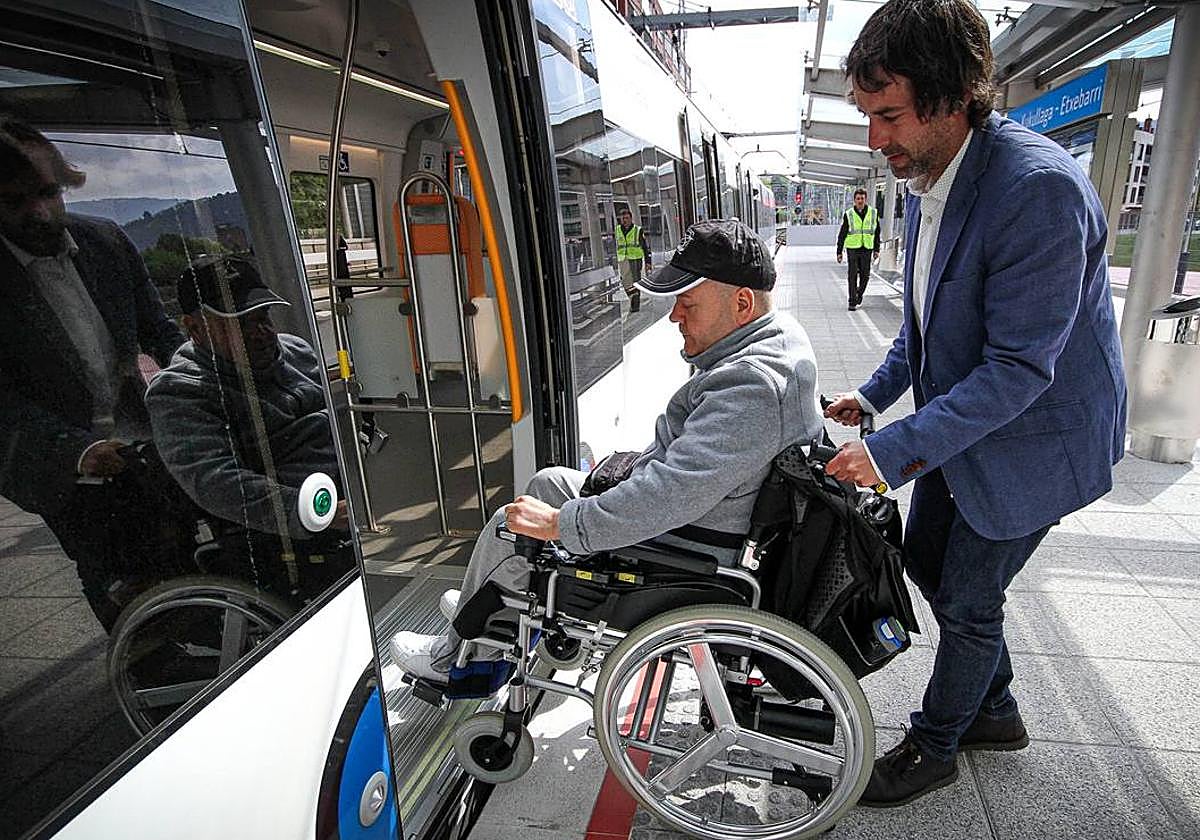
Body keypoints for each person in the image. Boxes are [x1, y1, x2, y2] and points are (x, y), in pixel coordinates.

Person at [823, 0, 1126, 808]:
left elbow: (1021, 369)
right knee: (924, 563)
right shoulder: (932, 174)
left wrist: (890, 452)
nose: (874, 139)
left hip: (1037, 438)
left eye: (888, 115)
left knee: (965, 598)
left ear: (955, 95)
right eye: (865, 115)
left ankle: (937, 745)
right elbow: (926, 320)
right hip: (966, 427)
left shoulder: (1038, 194)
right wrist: (875, 394)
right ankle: (995, 707)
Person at [392, 218, 823, 682]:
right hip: (708, 518)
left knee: (510, 523)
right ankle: (494, 601)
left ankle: (464, 662)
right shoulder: (775, 337)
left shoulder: (751, 385)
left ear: (741, 303)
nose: (675, 316)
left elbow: (670, 494)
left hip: (693, 544)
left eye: (687, 302)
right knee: (550, 481)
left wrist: (562, 525)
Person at [0, 117, 185, 630]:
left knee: (174, 543)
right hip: (61, 463)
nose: (40, 213)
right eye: (15, 203)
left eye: (47, 193)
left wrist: (201, 377)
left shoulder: (104, 243)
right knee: (110, 569)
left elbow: (159, 330)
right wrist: (77, 450)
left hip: (139, 434)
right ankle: (146, 665)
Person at [145, 255, 349, 550]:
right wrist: (315, 512)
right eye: (241, 324)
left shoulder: (296, 350)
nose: (261, 333)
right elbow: (216, 482)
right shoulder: (180, 392)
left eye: (263, 317)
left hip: (355, 476)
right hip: (307, 516)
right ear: (194, 329)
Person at [835, 188, 879, 310]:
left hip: (867, 248)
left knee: (865, 275)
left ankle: (859, 294)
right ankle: (852, 301)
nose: (860, 201)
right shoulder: (849, 214)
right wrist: (839, 251)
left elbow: (877, 232)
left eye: (862, 198)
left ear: (866, 199)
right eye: (858, 199)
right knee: (852, 274)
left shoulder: (873, 213)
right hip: (852, 248)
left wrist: (877, 249)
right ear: (854, 200)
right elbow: (842, 233)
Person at [615, 206, 652, 313]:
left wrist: (648, 262)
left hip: (635, 259)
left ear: (631, 218)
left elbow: (645, 247)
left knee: (635, 282)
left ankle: (635, 304)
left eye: (626, 218)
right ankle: (632, 299)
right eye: (623, 218)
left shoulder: (637, 230)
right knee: (625, 282)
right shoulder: (617, 230)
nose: (625, 220)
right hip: (623, 259)